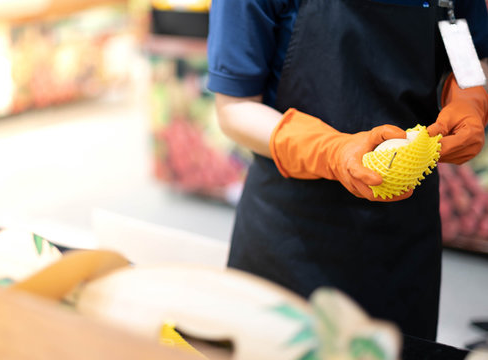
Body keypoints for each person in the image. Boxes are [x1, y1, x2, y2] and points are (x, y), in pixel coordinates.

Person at [207, 0, 488, 341]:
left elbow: (470, 51)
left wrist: (469, 97)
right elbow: (235, 108)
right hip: (292, 233)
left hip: (405, 234)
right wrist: (331, 151)